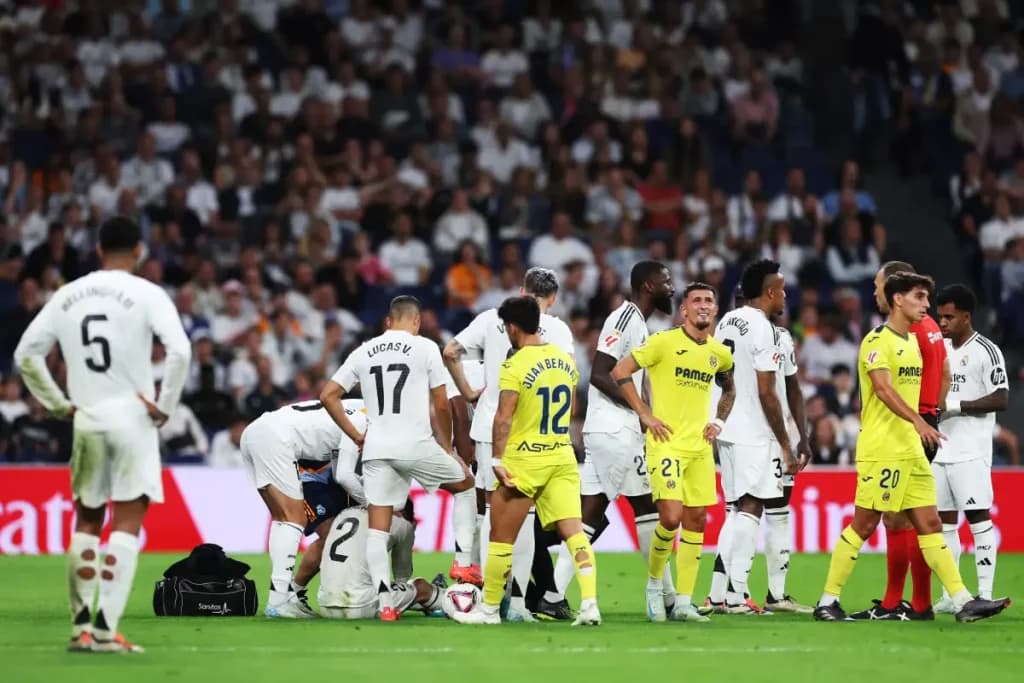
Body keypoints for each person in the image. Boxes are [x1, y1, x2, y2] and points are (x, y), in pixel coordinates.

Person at [14, 216, 191, 653]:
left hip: (87, 418)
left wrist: (58, 404)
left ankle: (79, 629)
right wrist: (165, 406)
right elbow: (180, 351)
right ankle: (107, 630)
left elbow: (25, 356)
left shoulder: (66, 295)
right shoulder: (148, 293)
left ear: (97, 250)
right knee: (127, 522)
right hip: (132, 419)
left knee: (88, 519)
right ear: (138, 251)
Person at [814, 272, 1010, 622]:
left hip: (913, 449)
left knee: (930, 524)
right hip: (883, 448)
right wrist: (920, 420)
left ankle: (964, 601)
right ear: (898, 300)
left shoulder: (911, 343)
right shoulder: (878, 341)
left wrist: (929, 416)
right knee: (864, 524)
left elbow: (941, 374)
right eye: (919, 297)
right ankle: (827, 600)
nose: (926, 304)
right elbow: (884, 389)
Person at [321, 295, 474, 622]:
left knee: (379, 527)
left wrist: (355, 435)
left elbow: (327, 395)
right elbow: (443, 404)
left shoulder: (364, 350)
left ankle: (386, 603)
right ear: (416, 321)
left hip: (376, 447)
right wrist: (446, 448)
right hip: (415, 443)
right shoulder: (426, 347)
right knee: (466, 485)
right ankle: (462, 562)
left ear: (389, 321)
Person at [452, 296, 600, 626]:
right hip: (561, 456)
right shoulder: (565, 361)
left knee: (501, 539)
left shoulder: (514, 365)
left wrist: (497, 460)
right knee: (575, 535)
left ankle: (489, 610)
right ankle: (590, 603)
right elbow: (573, 408)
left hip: (524, 461)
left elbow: (503, 418)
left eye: (506, 328)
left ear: (513, 327)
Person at [542, 261, 677, 618]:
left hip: (609, 431)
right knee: (648, 507)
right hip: (616, 431)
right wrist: (642, 410)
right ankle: (668, 597)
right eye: (666, 282)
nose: (671, 288)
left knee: (588, 514)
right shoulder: (624, 319)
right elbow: (601, 374)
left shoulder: (638, 323)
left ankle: (552, 595)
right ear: (648, 286)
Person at [611, 282, 735, 622]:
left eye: (709, 300)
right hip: (665, 443)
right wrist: (644, 413)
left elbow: (729, 390)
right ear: (684, 310)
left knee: (696, 520)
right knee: (670, 517)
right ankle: (654, 583)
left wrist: (719, 422)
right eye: (696, 300)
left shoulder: (719, 353)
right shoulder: (663, 342)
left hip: (700, 448)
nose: (703, 305)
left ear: (715, 309)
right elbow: (619, 372)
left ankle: (683, 601)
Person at [850, 261, 951, 621]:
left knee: (901, 521)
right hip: (923, 423)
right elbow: (946, 371)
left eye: (879, 284)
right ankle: (913, 603)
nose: (875, 292)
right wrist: (934, 412)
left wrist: (921, 418)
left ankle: (903, 602)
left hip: (909, 429)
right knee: (910, 520)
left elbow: (894, 383)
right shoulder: (931, 327)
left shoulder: (912, 330)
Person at [706, 286, 813, 614]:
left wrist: (802, 435)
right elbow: (784, 389)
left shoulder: (721, 329)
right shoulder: (770, 332)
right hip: (761, 430)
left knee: (743, 508)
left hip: (730, 427)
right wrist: (793, 440)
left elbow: (791, 385)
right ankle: (733, 594)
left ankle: (736, 593)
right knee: (753, 507)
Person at [239, 397, 366, 618]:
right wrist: (370, 503)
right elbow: (344, 474)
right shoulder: (369, 419)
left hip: (257, 432)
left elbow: (338, 465)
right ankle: (279, 600)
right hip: (278, 438)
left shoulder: (363, 406)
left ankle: (282, 597)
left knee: (282, 519)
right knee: (292, 519)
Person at [933, 284, 1009, 610]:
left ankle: (985, 594)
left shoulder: (987, 351)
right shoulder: (938, 350)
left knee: (978, 519)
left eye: (949, 317)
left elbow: (1001, 398)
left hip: (971, 451)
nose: (943, 323)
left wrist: (956, 405)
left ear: (966, 316)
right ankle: (950, 595)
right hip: (940, 449)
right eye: (940, 317)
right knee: (944, 523)